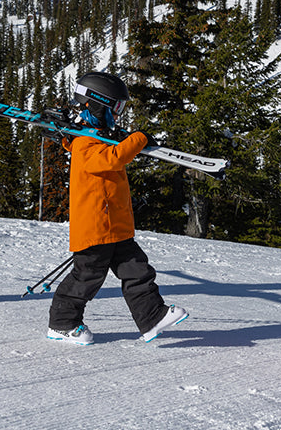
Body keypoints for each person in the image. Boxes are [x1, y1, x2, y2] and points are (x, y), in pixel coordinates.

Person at [45, 71, 187, 345]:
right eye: (116, 107)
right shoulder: (84, 143)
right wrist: (138, 139)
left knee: (137, 270)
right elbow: (111, 159)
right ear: (98, 105)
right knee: (87, 276)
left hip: (116, 226)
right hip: (95, 227)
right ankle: (61, 324)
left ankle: (153, 317)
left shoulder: (98, 136)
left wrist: (130, 139)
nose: (119, 114)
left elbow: (116, 153)